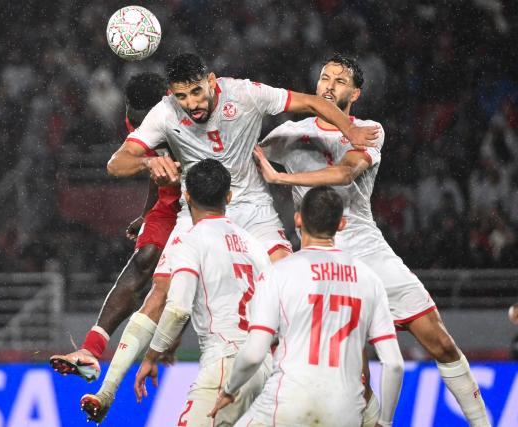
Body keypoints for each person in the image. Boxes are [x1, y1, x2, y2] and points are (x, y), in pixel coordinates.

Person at [79, 52, 380, 423]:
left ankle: (346, 380)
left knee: (294, 282)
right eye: (182, 97)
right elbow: (116, 163)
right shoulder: (165, 111)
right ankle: (107, 392)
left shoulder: (246, 94)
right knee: (161, 292)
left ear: (212, 80)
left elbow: (313, 102)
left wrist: (350, 133)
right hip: (199, 207)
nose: (192, 104)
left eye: (196, 92)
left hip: (251, 206)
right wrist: (146, 162)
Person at [254, 53, 490, 427]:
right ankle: (375, 421)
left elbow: (345, 173)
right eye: (324, 78)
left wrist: (282, 180)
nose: (329, 86)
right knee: (352, 365)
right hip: (321, 256)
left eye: (340, 81)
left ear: (356, 92)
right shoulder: (286, 135)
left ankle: (482, 422)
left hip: (367, 248)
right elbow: (239, 161)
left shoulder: (368, 129)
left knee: (439, 340)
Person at [209, 185, 404, 427]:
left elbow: (254, 353)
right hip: (345, 412)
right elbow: (394, 364)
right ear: (341, 224)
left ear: (298, 218)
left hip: (288, 402)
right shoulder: (370, 280)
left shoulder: (279, 273)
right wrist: (385, 422)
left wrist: (230, 389)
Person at [49, 72, 181, 381]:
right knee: (143, 260)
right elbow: (146, 165)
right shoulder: (137, 119)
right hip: (171, 198)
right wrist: (147, 212)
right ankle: (90, 350)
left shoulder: (188, 114)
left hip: (208, 198)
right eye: (133, 116)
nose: (136, 122)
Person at [130, 159, 272, 426]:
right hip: (263, 366)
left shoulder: (190, 240)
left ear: (186, 196)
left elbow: (177, 309)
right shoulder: (255, 245)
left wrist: (152, 355)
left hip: (226, 362)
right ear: (228, 197)